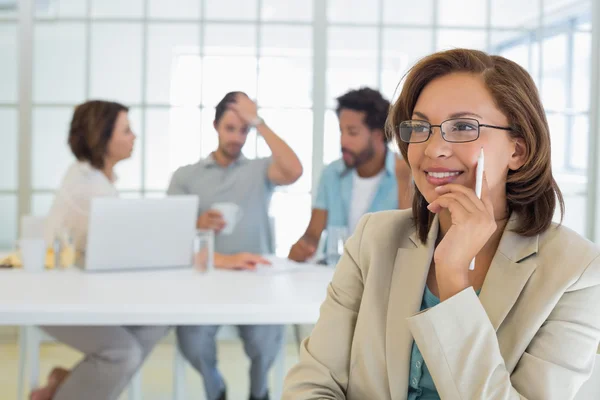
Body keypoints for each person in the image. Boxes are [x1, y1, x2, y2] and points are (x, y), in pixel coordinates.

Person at [283, 48, 600, 399]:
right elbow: (312, 384)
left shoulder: (577, 271)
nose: (433, 149)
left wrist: (453, 279)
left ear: (518, 151)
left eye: (463, 127)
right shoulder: (373, 239)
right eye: (420, 127)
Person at [168, 91, 303, 400]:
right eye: (230, 128)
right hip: (205, 279)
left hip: (255, 279)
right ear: (215, 126)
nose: (237, 137)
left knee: (266, 338)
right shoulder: (186, 176)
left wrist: (260, 122)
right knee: (192, 338)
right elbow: (170, 234)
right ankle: (215, 389)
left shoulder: (260, 170)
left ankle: (259, 393)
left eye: (244, 130)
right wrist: (196, 222)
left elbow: (294, 170)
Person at [31, 100, 170, 400]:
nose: (135, 137)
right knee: (123, 353)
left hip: (83, 290)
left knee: (158, 319)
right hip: (55, 297)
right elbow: (126, 249)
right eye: (127, 131)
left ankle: (71, 384)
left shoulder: (92, 176)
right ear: (103, 137)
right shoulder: (90, 187)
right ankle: (65, 392)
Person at [288, 87, 413, 264]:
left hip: (380, 281)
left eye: (352, 132)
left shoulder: (404, 174)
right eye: (341, 131)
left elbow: (409, 244)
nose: (343, 141)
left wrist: (404, 182)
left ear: (377, 136)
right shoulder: (332, 173)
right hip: (333, 276)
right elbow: (312, 236)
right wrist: (301, 248)